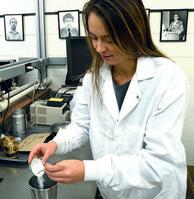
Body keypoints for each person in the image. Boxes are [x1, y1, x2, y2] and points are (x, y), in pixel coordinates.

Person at [28, 0, 189, 199]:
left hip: (154, 192)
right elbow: (81, 126)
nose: (99, 48)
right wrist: (56, 143)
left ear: (134, 32)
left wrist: (88, 170)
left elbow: (158, 162)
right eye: (94, 37)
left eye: (109, 39)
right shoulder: (92, 78)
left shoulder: (167, 78)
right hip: (111, 191)